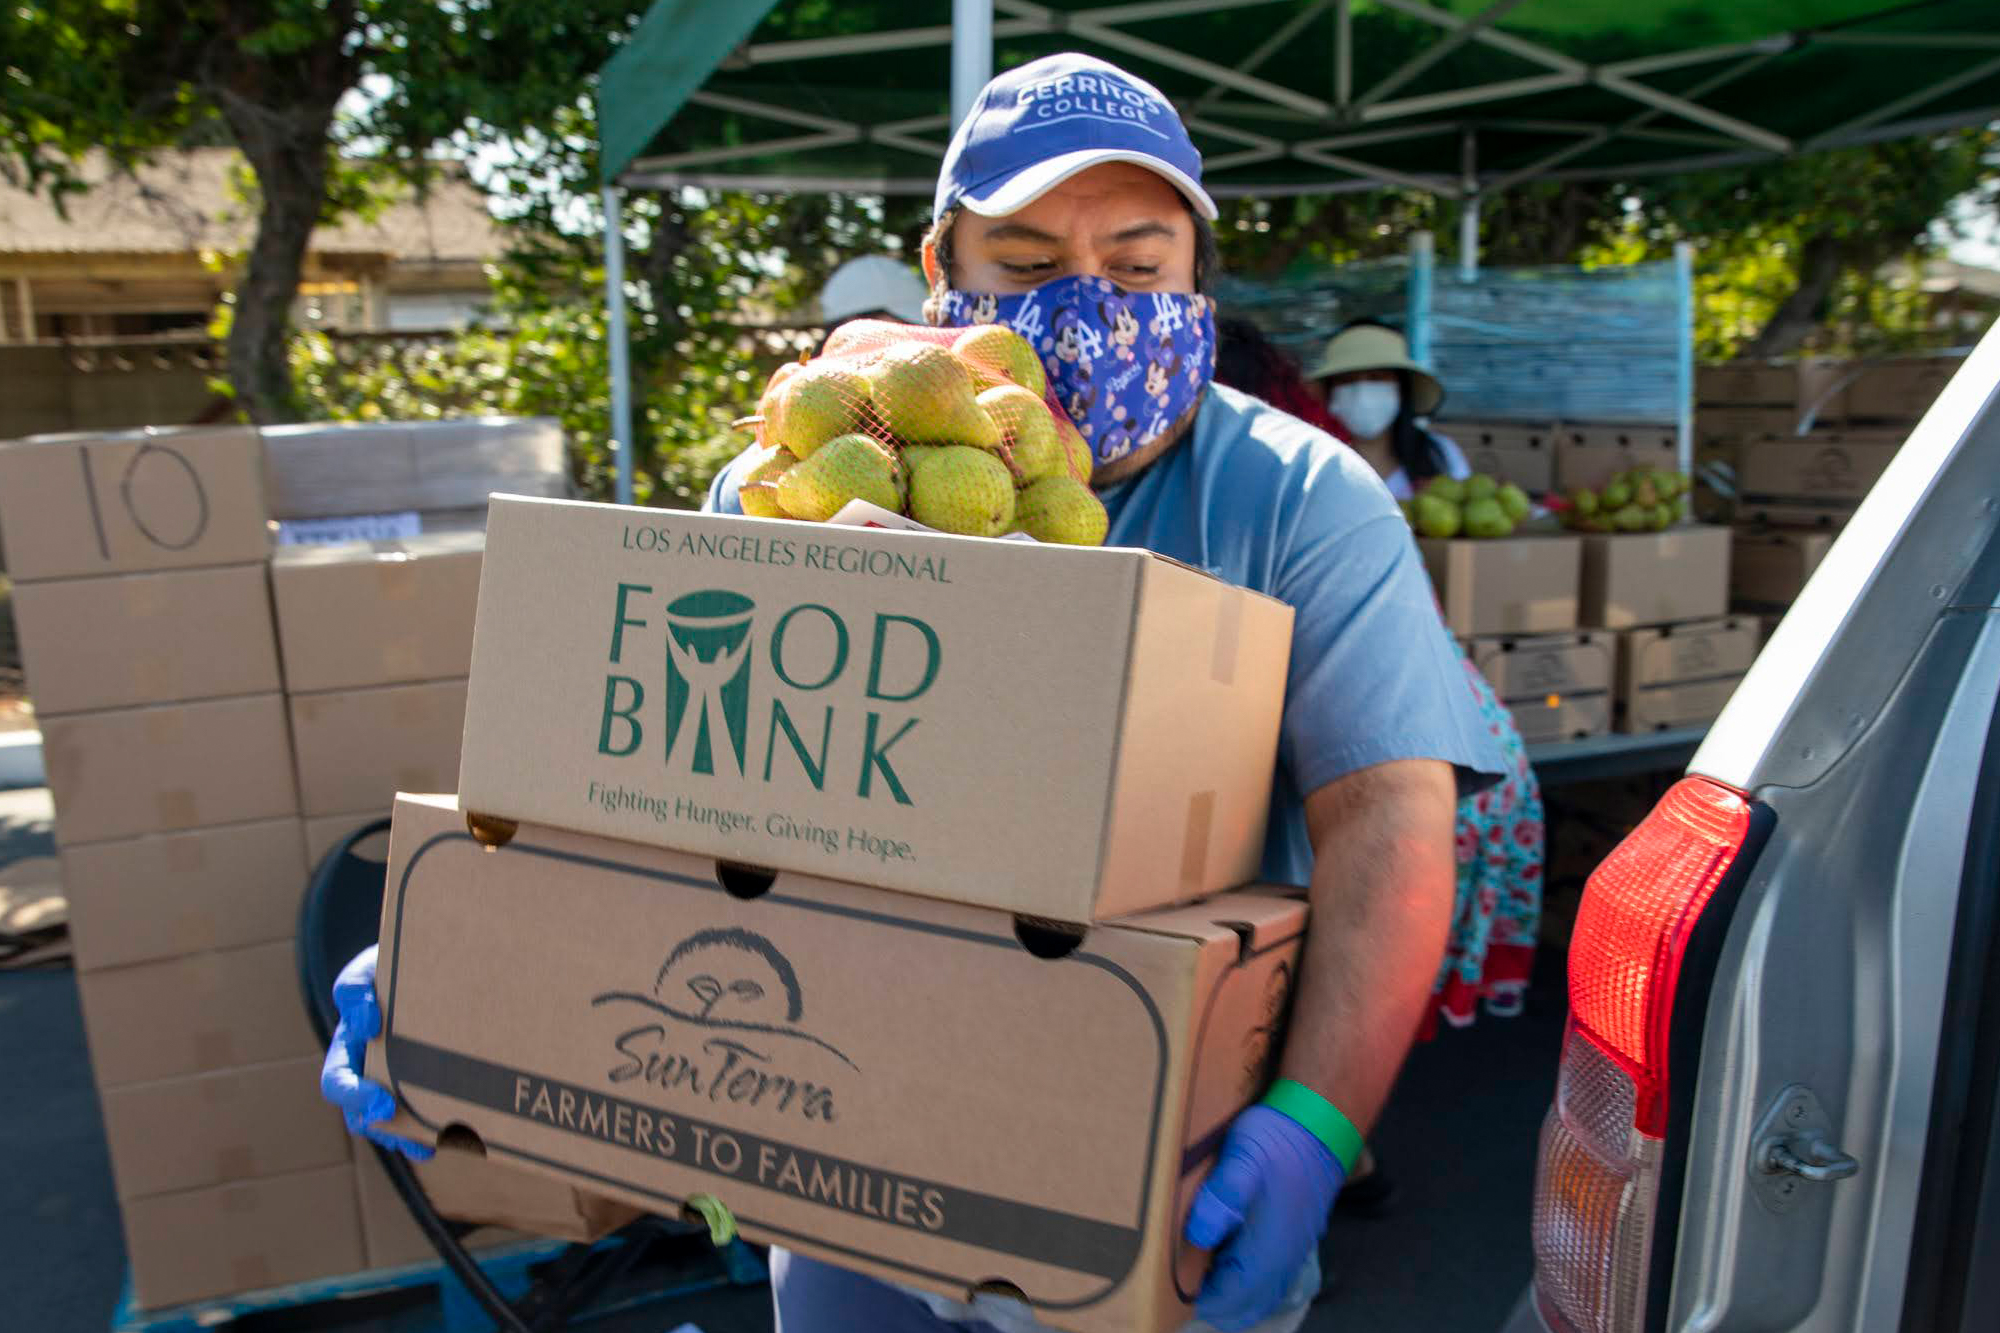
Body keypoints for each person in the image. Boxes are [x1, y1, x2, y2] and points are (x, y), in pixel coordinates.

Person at [324, 51, 1505, 1333]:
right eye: (1028, 262)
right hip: (843, 1165)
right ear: (943, 270)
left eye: (1135, 263)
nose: (1088, 301)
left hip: (1141, 1179)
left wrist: (1315, 1125)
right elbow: (653, 777)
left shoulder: (1299, 497)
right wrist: (465, 936)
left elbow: (1386, 815)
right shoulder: (803, 483)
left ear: (1195, 278)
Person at [1214, 317, 1547, 1040]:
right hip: (1447, 725)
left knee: (1361, 958)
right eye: (1353, 380)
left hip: (1431, 742)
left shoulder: (1301, 484)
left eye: (1380, 378)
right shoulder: (1299, 474)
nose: (1367, 393)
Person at [1306, 319, 1471, 502]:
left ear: (1401, 389)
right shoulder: (1311, 462)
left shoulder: (1440, 454)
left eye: (1376, 377)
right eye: (1347, 379)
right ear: (1330, 392)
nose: (1362, 391)